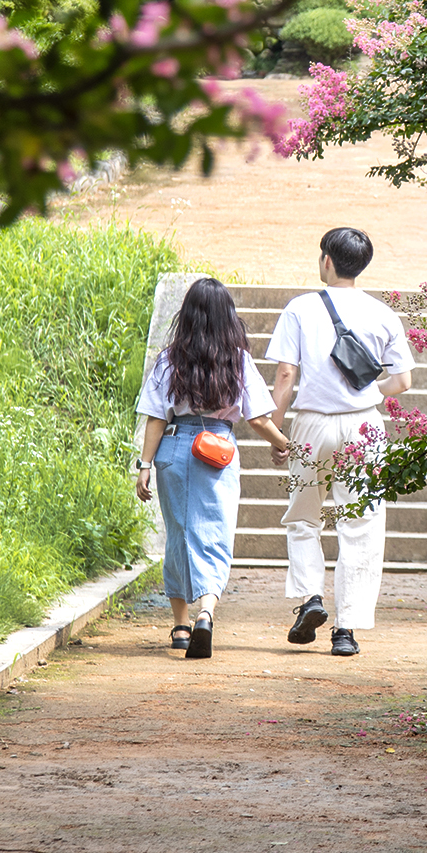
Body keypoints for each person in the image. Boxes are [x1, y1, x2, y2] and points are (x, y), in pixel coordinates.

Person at [269, 227, 414, 657]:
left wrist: (276, 431)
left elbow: (285, 375)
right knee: (361, 523)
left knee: (303, 517)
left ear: (327, 260)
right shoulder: (382, 313)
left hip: (312, 424)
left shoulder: (300, 308)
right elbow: (403, 380)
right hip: (363, 427)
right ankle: (346, 629)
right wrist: (369, 393)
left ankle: (311, 598)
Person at [135, 277, 291, 659]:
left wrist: (144, 465)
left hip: (175, 446)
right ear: (227, 316)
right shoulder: (238, 360)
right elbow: (258, 419)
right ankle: (206, 611)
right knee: (215, 534)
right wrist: (283, 444)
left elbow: (156, 418)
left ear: (187, 315)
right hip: (217, 450)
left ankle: (180, 626)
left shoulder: (169, 359)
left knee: (179, 533)